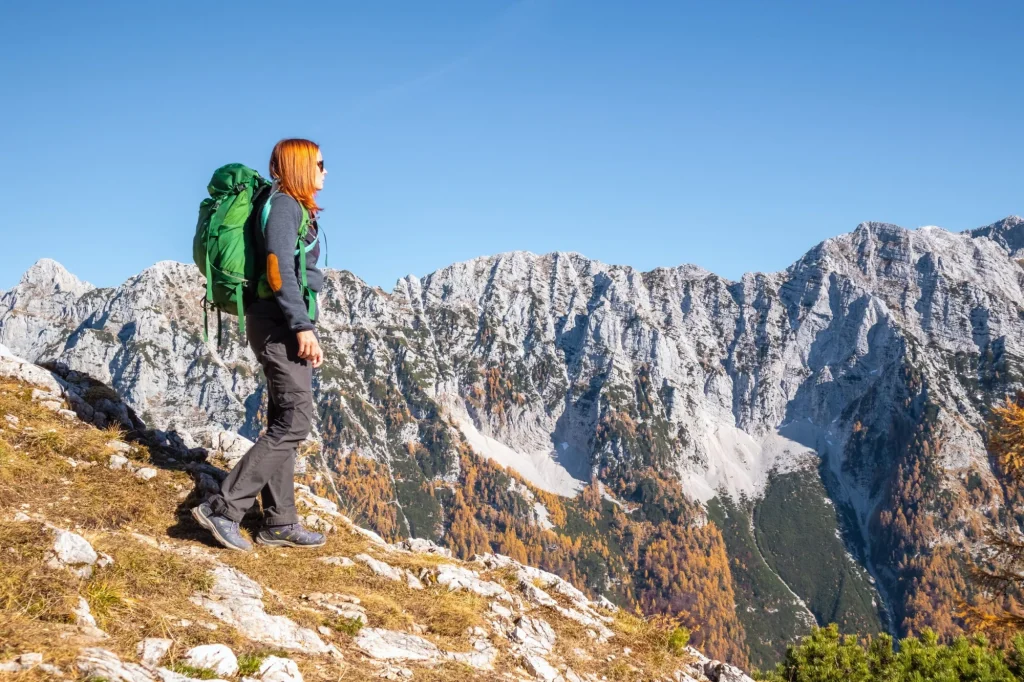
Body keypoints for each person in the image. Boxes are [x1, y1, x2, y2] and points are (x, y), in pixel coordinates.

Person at [192, 138, 327, 551]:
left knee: (285, 419)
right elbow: (278, 268)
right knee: (295, 422)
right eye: (320, 163)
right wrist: (302, 326)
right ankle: (224, 507)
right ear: (302, 166)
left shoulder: (288, 205)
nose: (326, 171)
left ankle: (280, 522)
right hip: (279, 325)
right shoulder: (285, 205)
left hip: (277, 322)